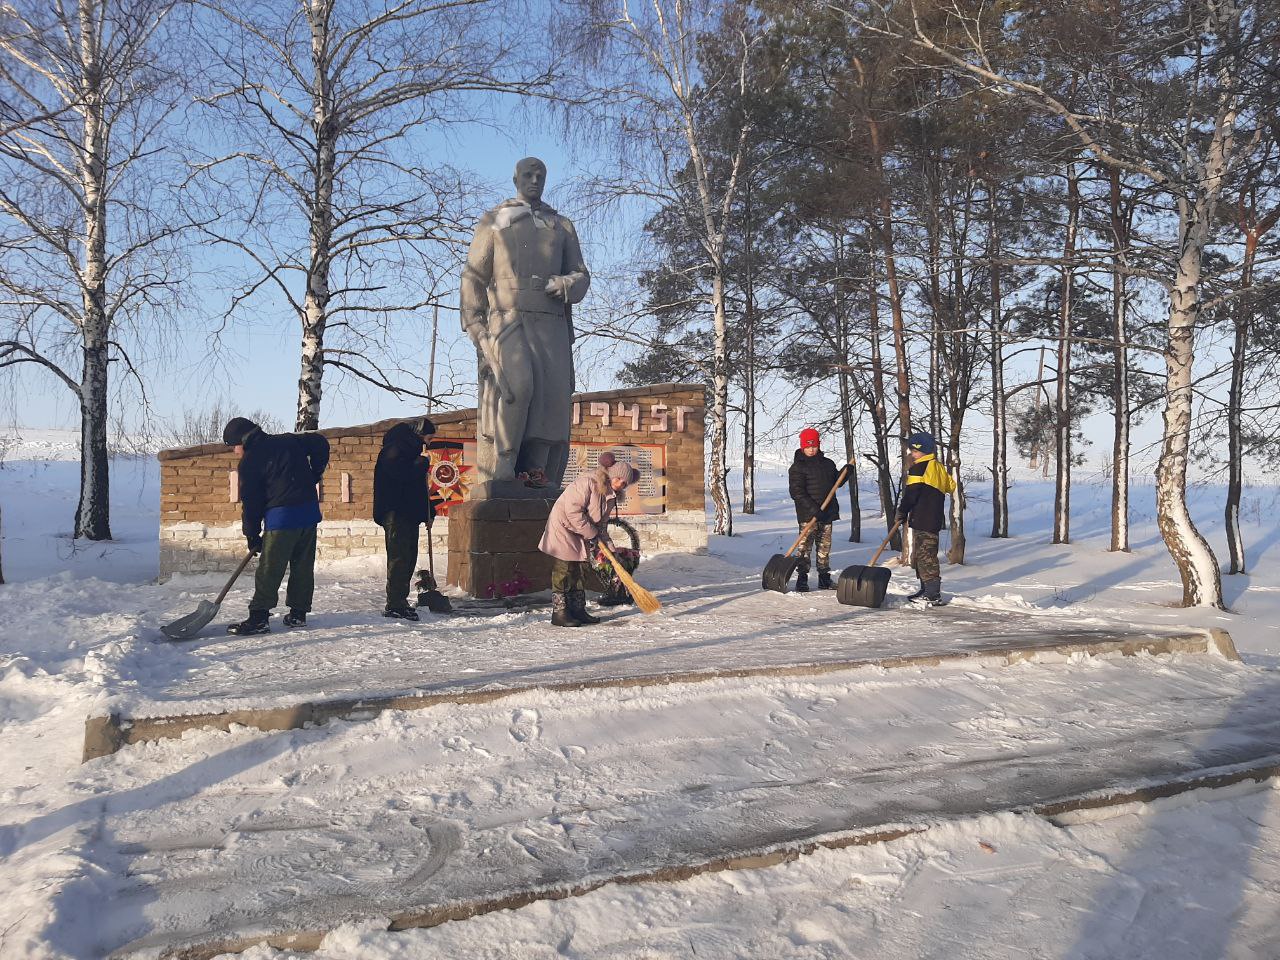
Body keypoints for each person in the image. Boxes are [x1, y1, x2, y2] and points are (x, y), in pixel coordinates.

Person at [460, 156, 590, 496]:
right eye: (528, 175)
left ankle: (535, 469)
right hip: (508, 318)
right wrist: (474, 322)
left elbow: (580, 273)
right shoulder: (495, 221)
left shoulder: (561, 225)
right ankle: (503, 463)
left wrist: (565, 284)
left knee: (551, 399)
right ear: (515, 178)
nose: (535, 180)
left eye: (540, 175)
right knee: (517, 388)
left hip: (551, 323)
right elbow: (474, 275)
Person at [222, 416, 330, 634]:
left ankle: (259, 618)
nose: (235, 451)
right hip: (308, 513)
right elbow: (320, 442)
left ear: (244, 440)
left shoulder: (251, 462)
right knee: (302, 566)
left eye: (234, 446)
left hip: (283, 519)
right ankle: (298, 614)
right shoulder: (288, 441)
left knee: (270, 569)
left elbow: (252, 503)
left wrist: (252, 534)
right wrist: (314, 474)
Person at [538, 459, 639, 627]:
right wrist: (592, 534)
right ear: (611, 475)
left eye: (625, 482)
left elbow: (602, 526)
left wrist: (610, 550)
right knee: (564, 568)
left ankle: (577, 609)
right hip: (563, 527)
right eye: (619, 479)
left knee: (582, 568)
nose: (620, 484)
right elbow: (573, 512)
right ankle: (560, 612)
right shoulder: (587, 483)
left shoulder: (611, 497)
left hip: (583, 532)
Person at [373, 416, 437, 621]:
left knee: (408, 557)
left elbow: (417, 489)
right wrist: (419, 465)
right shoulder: (393, 451)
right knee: (399, 557)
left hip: (409, 513)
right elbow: (400, 477)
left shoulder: (412, 454)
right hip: (396, 512)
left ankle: (400, 601)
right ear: (419, 434)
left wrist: (429, 511)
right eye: (429, 437)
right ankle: (394, 603)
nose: (429, 442)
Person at [895, 431, 956, 605]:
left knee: (926, 556)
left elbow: (911, 494)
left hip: (923, 518)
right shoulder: (937, 467)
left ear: (923, 450)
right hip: (934, 518)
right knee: (924, 554)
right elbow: (950, 486)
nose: (912, 454)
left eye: (914, 451)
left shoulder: (918, 468)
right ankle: (925, 589)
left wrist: (902, 511)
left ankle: (932, 594)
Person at [787, 428, 849, 592]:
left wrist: (845, 473)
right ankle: (802, 580)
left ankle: (824, 579)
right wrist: (814, 509)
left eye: (814, 445)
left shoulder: (828, 464)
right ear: (802, 447)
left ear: (818, 445)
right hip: (808, 515)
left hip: (827, 513)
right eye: (808, 446)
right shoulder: (797, 467)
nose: (811, 449)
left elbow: (836, 482)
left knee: (824, 548)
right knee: (804, 548)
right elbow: (797, 492)